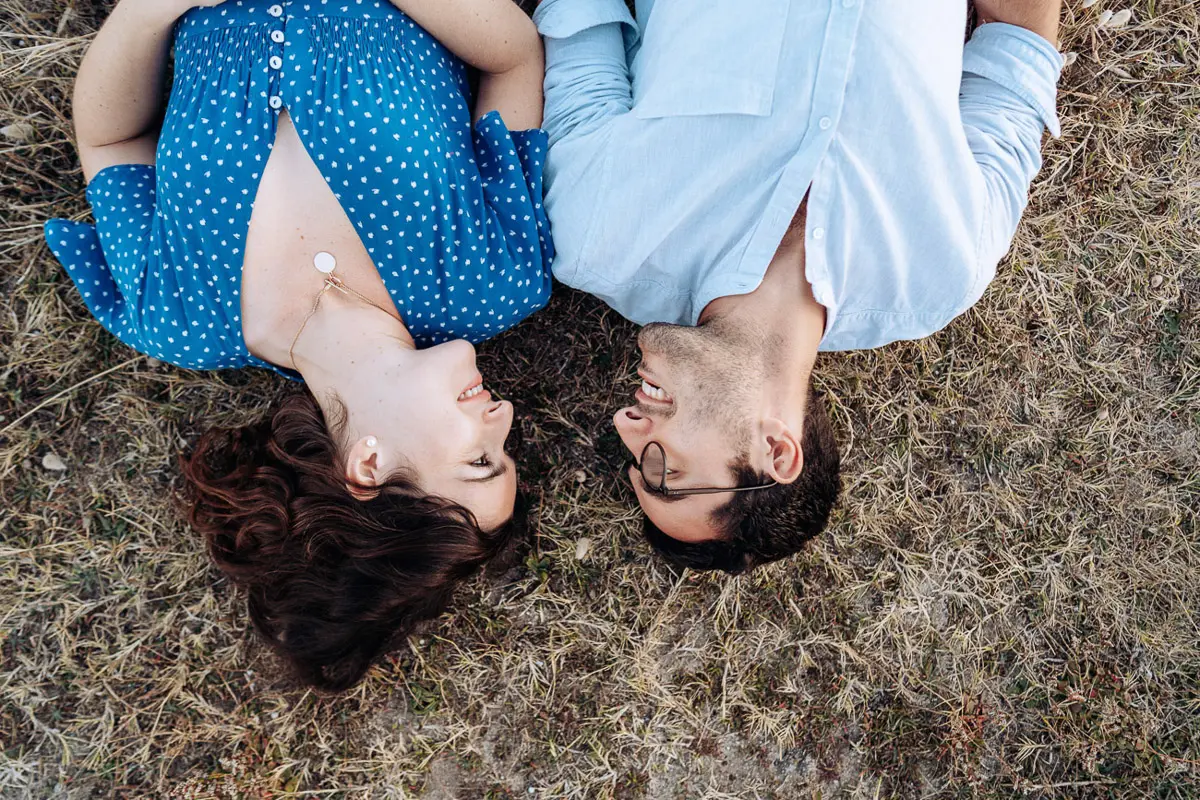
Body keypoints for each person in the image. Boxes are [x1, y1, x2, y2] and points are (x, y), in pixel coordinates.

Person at [44, 0, 552, 691]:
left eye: (480, 459)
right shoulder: (490, 280)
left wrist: (150, 8)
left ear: (367, 466)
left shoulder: (181, 318)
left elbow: (111, 142)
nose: (505, 419)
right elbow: (514, 58)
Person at [534, 0, 1064, 573]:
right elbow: (1017, 53)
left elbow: (579, 14)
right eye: (666, 470)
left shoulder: (598, 236)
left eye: (633, 458)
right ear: (775, 451)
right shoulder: (940, 271)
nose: (625, 426)